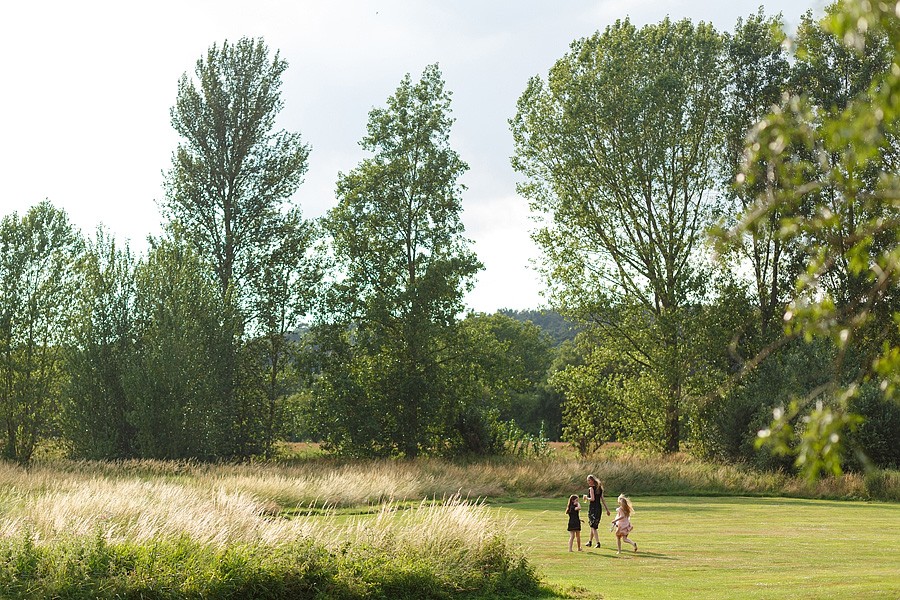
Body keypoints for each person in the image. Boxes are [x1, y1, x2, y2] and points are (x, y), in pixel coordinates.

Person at [584, 474, 611, 548]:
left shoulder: (591, 489)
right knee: (593, 525)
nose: (588, 482)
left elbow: (592, 499)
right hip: (599, 508)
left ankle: (598, 542)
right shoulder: (599, 488)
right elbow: (602, 500)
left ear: (592, 480)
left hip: (593, 508)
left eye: (589, 480)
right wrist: (607, 510)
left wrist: (587, 498)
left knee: (593, 526)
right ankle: (590, 542)